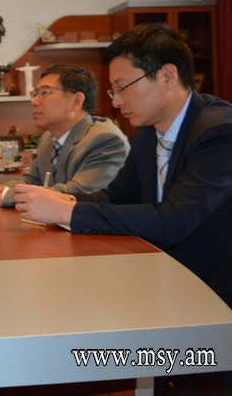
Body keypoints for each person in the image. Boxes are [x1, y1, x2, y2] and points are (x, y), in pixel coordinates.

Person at [14, 24, 232, 312]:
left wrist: (68, 212)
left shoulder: (219, 132)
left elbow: (173, 222)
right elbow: (118, 196)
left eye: (123, 87)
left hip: (213, 294)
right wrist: (61, 200)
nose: (116, 102)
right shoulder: (147, 133)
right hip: (159, 279)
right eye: (113, 90)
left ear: (167, 76)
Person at [0, 65, 128, 207]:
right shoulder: (48, 138)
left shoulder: (105, 139)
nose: (34, 101)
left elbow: (78, 193)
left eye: (45, 93)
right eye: (35, 93)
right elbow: (32, 180)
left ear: (76, 101)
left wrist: (6, 196)